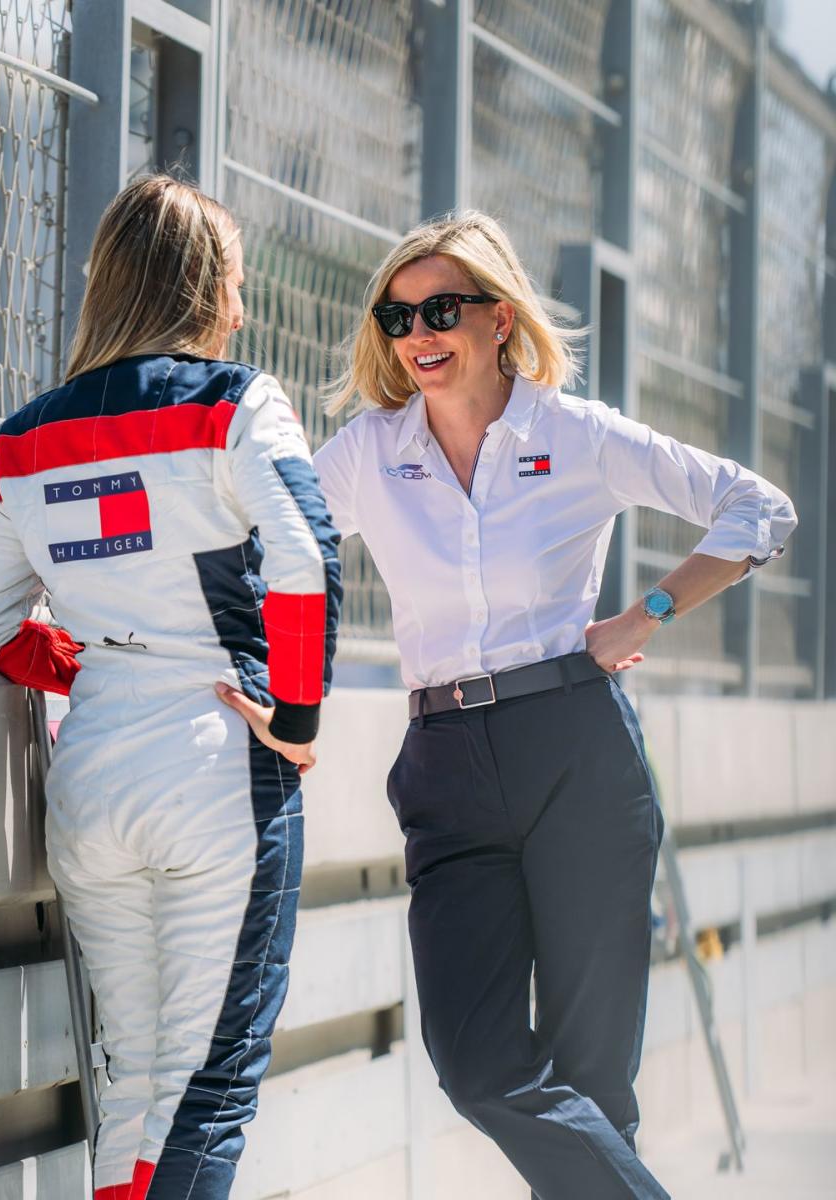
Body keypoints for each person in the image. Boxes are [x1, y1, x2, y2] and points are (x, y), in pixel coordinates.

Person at [312, 211, 796, 1200]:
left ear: (499, 318)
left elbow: (761, 510)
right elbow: (266, 541)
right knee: (478, 1064)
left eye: (441, 308)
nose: (417, 334)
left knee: (592, 1083)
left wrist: (647, 611)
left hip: (575, 748)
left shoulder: (574, 435)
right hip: (445, 759)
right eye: (397, 316)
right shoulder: (370, 453)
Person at [0, 174, 342, 1200]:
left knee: (136, 1085)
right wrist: (295, 718)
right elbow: (307, 556)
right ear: (203, 289)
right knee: (206, 1090)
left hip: (93, 780)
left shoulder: (20, 440)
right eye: (236, 285)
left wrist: (86, 663)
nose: (242, 309)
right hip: (218, 772)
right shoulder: (235, 400)